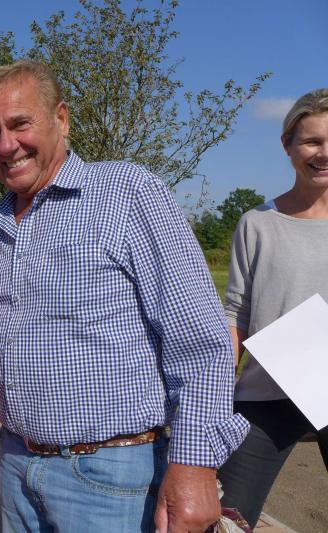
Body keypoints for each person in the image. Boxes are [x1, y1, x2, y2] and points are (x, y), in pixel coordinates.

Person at [0, 61, 247, 533]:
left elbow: (199, 340)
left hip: (112, 477)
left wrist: (195, 466)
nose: (6, 145)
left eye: (20, 124)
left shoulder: (127, 193)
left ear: (61, 119)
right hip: (16, 463)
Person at [217, 89, 328, 528]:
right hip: (266, 397)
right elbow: (236, 314)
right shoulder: (257, 223)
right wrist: (216, 392)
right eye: (312, 141)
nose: (324, 153)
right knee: (226, 517)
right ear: (287, 145)